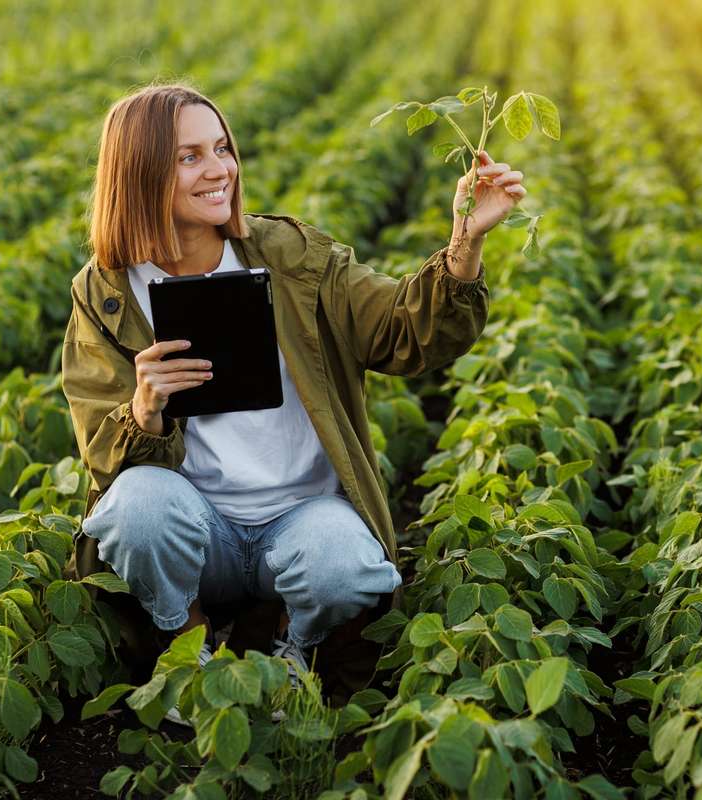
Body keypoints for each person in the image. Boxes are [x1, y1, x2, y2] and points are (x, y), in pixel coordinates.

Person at [59, 83, 527, 717]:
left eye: (221, 148)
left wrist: (464, 244)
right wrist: (143, 410)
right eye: (189, 157)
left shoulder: (289, 256)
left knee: (348, 568)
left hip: (299, 518)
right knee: (136, 509)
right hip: (200, 528)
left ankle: (290, 642)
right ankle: (185, 641)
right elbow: (101, 457)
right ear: (139, 174)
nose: (219, 169)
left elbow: (399, 333)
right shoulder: (106, 293)